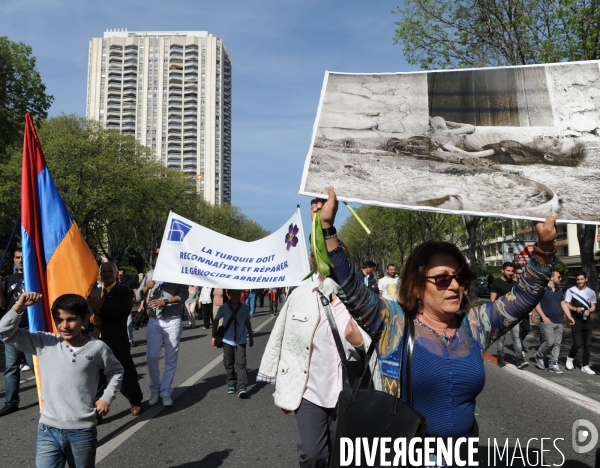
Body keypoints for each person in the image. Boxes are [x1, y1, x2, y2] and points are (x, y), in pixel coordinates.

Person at [310, 187, 557, 454]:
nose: (454, 286)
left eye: (459, 277)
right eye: (442, 278)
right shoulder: (393, 323)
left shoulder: (475, 325)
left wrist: (543, 248)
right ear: (417, 287)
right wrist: (327, 228)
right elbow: (350, 288)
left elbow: (522, 297)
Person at [258, 266, 380, 468]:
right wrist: (282, 389)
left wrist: (360, 341)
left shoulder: (360, 299)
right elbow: (281, 339)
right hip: (310, 391)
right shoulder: (300, 295)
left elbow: (379, 340)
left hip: (348, 391)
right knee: (312, 454)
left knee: (341, 454)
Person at [0, 292, 123, 467]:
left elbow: (116, 371)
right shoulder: (44, 342)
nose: (64, 325)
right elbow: (4, 332)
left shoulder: (97, 347)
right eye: (59, 320)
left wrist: (106, 397)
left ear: (84, 319)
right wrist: (18, 307)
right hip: (48, 429)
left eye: (71, 319)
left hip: (82, 431)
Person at [87, 262, 144, 417]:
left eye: (110, 271)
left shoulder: (123, 291)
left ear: (116, 273)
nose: (106, 274)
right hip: (95, 343)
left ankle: (136, 401)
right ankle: (97, 409)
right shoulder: (93, 292)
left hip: (117, 342)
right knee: (97, 378)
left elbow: (124, 312)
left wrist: (102, 305)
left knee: (127, 376)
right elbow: (84, 315)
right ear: (99, 275)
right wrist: (90, 319)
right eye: (103, 271)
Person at [136, 249, 189, 407]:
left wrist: (165, 302)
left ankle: (165, 391)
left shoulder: (179, 273)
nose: (160, 257)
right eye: (158, 255)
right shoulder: (151, 274)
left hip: (173, 320)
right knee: (152, 356)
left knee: (171, 358)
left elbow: (183, 295)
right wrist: (147, 287)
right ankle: (154, 389)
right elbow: (138, 296)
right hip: (154, 320)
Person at [0, 248, 34, 417]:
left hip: (32, 327)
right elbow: (3, 305)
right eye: (17, 257)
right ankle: (11, 402)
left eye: (22, 257)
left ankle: (49, 399)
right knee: (11, 367)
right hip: (13, 327)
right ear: (13, 260)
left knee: (36, 366)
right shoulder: (8, 279)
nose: (20, 260)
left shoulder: (35, 276)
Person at [211, 289, 253, 398]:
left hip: (241, 339)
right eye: (233, 293)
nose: (236, 296)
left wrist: (251, 336)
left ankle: (242, 386)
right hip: (227, 339)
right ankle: (231, 382)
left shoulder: (244, 307)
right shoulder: (224, 307)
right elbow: (216, 321)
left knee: (241, 362)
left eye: (238, 293)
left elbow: (247, 322)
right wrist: (213, 336)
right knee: (229, 361)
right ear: (228, 294)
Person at [492, 262, 528, 369]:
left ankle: (519, 360)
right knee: (501, 338)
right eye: (508, 270)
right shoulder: (496, 283)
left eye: (512, 271)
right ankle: (501, 357)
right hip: (500, 315)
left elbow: (518, 301)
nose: (510, 273)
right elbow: (493, 300)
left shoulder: (515, 284)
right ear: (503, 270)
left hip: (514, 315)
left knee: (516, 337)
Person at [563, 272, 597, 374]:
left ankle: (585, 365)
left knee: (588, 344)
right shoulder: (571, 290)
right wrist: (575, 309)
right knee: (578, 343)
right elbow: (567, 304)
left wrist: (589, 311)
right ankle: (570, 358)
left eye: (582, 279)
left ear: (586, 279)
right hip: (576, 320)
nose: (580, 281)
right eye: (578, 279)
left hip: (587, 321)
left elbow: (593, 307)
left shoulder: (591, 292)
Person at [534, 270, 565, 373]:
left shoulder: (559, 291)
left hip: (558, 321)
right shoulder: (542, 289)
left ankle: (553, 364)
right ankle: (539, 355)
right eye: (559, 277)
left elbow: (563, 304)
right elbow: (536, 304)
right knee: (550, 342)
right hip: (547, 321)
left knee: (557, 344)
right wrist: (543, 317)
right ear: (552, 278)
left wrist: (569, 316)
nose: (560, 279)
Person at [513, 265, 531, 358]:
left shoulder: (526, 284)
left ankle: (519, 343)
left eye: (522, 273)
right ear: (515, 274)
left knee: (526, 329)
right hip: (515, 312)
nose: (520, 275)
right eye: (519, 273)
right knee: (517, 331)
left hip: (525, 311)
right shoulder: (512, 284)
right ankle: (520, 348)